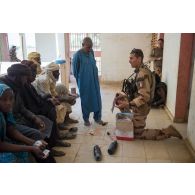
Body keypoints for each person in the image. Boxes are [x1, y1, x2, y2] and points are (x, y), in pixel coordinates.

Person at [115, 48, 182, 140]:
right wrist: (125, 97)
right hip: (139, 104)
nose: (129, 61)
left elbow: (144, 97)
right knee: (122, 101)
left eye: (131, 58)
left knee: (137, 134)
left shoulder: (142, 74)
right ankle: (134, 121)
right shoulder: (142, 70)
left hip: (142, 107)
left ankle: (167, 131)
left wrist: (128, 104)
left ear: (139, 59)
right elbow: (139, 91)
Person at [0, 63, 66, 157]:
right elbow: (10, 125)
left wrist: (34, 118)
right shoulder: (4, 89)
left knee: (44, 120)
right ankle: (46, 152)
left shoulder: (16, 86)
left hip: (14, 121)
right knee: (37, 133)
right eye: (25, 78)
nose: (26, 80)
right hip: (11, 123)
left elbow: (22, 108)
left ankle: (51, 145)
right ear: (16, 77)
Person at [0, 83, 48, 163]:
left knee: (33, 142)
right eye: (4, 99)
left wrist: (33, 143)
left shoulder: (7, 111)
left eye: (11, 99)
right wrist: (31, 147)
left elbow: (11, 130)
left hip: (5, 138)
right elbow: (1, 146)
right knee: (11, 158)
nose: (8, 102)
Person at [33, 62, 78, 135]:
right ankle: (58, 127)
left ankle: (66, 118)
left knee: (61, 88)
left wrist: (68, 97)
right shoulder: (44, 80)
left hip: (45, 97)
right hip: (39, 101)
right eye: (57, 72)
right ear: (50, 72)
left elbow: (53, 93)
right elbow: (49, 98)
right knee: (57, 105)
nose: (59, 74)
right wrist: (65, 99)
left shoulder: (50, 78)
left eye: (58, 71)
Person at [72, 37, 107, 126]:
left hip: (94, 81)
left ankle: (97, 118)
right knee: (86, 100)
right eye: (88, 47)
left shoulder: (91, 52)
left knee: (97, 99)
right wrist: (81, 82)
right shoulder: (77, 55)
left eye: (91, 47)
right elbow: (75, 72)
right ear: (83, 45)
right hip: (84, 83)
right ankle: (86, 119)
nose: (89, 49)